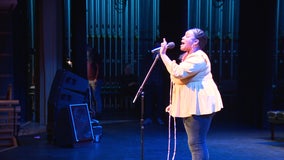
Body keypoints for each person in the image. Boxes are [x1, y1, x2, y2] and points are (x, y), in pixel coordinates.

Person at [159, 28, 223, 160]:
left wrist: (164, 55)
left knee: (197, 143)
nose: (182, 38)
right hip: (194, 104)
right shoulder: (189, 57)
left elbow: (178, 73)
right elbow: (183, 82)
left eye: (186, 36)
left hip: (201, 105)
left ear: (195, 42)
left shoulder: (198, 58)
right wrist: (176, 104)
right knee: (195, 143)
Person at [143, 41, 170, 125]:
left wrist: (161, 58)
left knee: (160, 100)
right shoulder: (148, 56)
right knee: (148, 100)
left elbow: (165, 69)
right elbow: (145, 67)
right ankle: (148, 117)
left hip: (159, 82)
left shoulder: (163, 57)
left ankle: (159, 117)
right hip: (150, 81)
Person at [87, 47, 103, 119]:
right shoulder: (88, 60)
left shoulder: (95, 60)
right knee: (91, 97)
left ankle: (98, 112)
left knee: (96, 96)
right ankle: (94, 112)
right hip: (89, 79)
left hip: (95, 80)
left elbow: (98, 70)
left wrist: (96, 78)